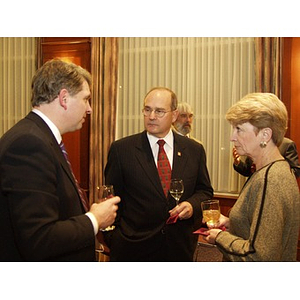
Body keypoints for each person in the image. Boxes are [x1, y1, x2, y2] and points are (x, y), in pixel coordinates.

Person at [0, 59, 120, 261]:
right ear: (64, 98)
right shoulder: (29, 143)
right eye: (85, 99)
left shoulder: (39, 137)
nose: (89, 109)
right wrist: (94, 219)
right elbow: (38, 238)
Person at [104, 87, 213, 261]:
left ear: (174, 115)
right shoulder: (122, 150)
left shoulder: (194, 150)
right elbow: (111, 198)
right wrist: (115, 239)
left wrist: (192, 205)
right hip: (133, 249)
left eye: (159, 111)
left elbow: (205, 192)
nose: (151, 116)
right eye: (147, 110)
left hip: (179, 248)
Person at [204, 92, 300, 261]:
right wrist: (231, 223)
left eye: (239, 129)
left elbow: (259, 256)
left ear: (265, 135)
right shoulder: (274, 171)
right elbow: (264, 231)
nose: (232, 137)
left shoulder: (271, 179)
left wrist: (220, 237)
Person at [233, 137, 300, 178]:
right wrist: (238, 162)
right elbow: (248, 171)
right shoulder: (256, 143)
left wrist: (273, 174)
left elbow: (296, 171)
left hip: (275, 191)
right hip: (255, 190)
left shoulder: (287, 144)